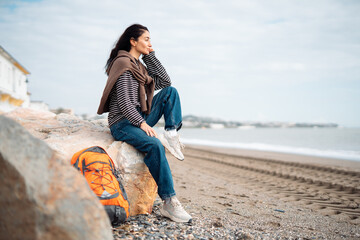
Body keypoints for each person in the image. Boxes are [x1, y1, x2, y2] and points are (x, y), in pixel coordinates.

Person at [97, 24, 191, 223]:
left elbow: (165, 81)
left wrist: (150, 55)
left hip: (138, 117)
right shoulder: (122, 64)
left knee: (170, 92)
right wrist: (141, 124)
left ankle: (172, 133)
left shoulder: (140, 66)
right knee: (154, 145)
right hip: (122, 123)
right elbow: (123, 102)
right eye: (146, 39)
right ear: (133, 41)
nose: (150, 43)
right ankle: (169, 202)